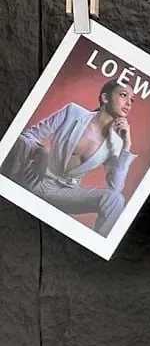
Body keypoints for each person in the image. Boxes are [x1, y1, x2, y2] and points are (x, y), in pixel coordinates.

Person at [2, 79, 138, 237]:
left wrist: (126, 145)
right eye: (123, 95)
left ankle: (94, 245)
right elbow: (27, 136)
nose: (129, 103)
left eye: (132, 100)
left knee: (115, 199)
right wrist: (41, 150)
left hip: (66, 193)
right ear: (105, 98)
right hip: (37, 178)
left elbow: (115, 187)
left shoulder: (116, 143)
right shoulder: (73, 112)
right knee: (18, 143)